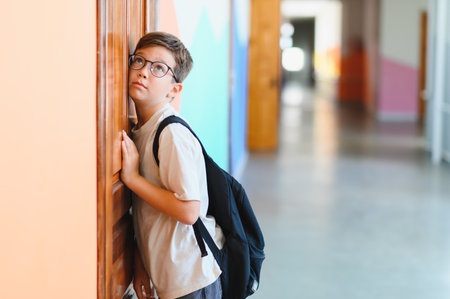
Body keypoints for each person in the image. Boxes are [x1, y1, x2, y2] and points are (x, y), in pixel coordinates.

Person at [120, 31, 224, 299]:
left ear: (174, 90)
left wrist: (133, 179)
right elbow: (145, 211)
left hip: (192, 280)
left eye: (158, 68)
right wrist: (140, 263)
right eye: (139, 61)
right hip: (171, 278)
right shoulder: (140, 128)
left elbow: (189, 210)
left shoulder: (170, 134)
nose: (143, 72)